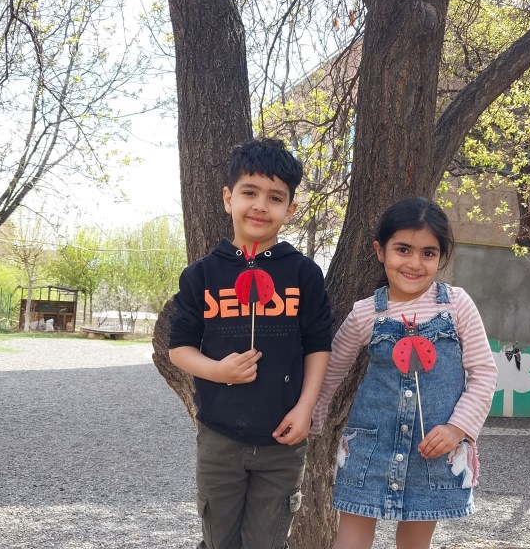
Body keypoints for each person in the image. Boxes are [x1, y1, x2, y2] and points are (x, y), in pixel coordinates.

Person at [168, 137, 334, 549]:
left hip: (283, 438)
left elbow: (318, 345)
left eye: (275, 197)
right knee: (218, 540)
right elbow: (179, 348)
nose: (261, 205)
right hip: (219, 437)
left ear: (289, 210)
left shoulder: (304, 274)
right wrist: (217, 370)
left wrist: (305, 408)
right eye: (249, 192)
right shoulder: (201, 275)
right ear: (228, 199)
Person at [312, 196, 497, 549]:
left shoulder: (456, 305)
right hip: (369, 450)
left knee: (415, 541)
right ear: (380, 251)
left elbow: (484, 373)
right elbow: (331, 370)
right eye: (403, 250)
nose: (414, 263)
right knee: (351, 536)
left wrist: (457, 428)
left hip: (433, 449)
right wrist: (312, 418)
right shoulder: (366, 313)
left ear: (441, 257)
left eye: (428, 253)